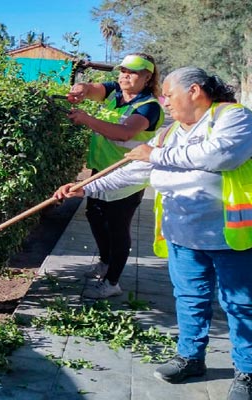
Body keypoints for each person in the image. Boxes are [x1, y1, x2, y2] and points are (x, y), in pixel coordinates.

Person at [54, 66, 252, 400]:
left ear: (194, 91)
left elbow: (221, 156)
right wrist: (86, 188)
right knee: (190, 299)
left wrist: (155, 153)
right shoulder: (171, 132)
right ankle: (190, 358)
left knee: (243, 306)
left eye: (168, 93)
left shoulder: (235, 119)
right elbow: (134, 172)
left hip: (244, 239)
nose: (164, 101)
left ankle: (247, 373)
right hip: (187, 238)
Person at [64, 53, 164, 299]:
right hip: (101, 171)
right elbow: (91, 88)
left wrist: (87, 119)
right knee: (95, 216)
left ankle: (112, 282)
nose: (124, 76)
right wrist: (80, 90)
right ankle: (106, 261)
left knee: (117, 227)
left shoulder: (148, 106)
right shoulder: (115, 92)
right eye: (122, 70)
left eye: (132, 72)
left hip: (127, 177)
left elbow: (124, 133)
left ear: (147, 77)